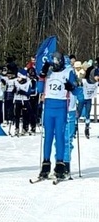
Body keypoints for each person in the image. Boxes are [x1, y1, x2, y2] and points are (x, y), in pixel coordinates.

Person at [38, 52, 75, 180]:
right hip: (48, 106)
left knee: (59, 135)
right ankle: (45, 165)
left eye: (57, 62)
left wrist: (71, 86)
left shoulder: (67, 72)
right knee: (48, 136)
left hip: (61, 107)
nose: (55, 65)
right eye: (54, 62)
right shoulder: (48, 72)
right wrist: (42, 75)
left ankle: (60, 164)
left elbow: (75, 87)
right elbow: (39, 89)